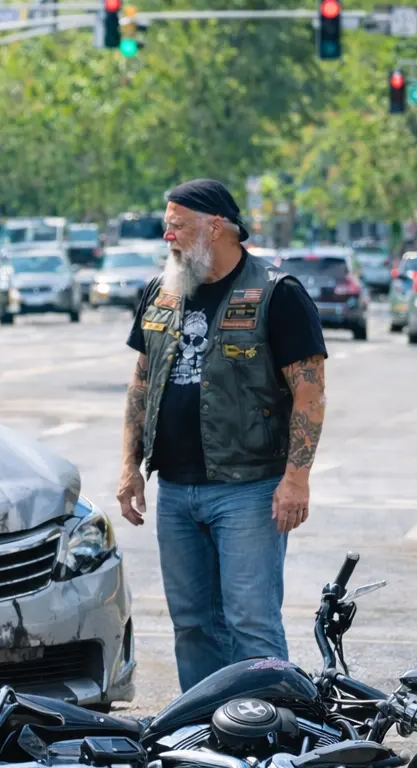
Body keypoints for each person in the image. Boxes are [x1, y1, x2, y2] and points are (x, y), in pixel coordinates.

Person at [116, 179, 327, 691]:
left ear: (217, 227)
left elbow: (309, 392)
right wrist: (130, 465)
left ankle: (273, 734)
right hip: (177, 490)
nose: (167, 235)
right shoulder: (161, 289)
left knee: (251, 624)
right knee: (191, 625)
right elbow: (143, 381)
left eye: (177, 225)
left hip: (250, 489)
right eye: (167, 224)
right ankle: (204, 740)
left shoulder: (278, 293)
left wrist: (295, 479)